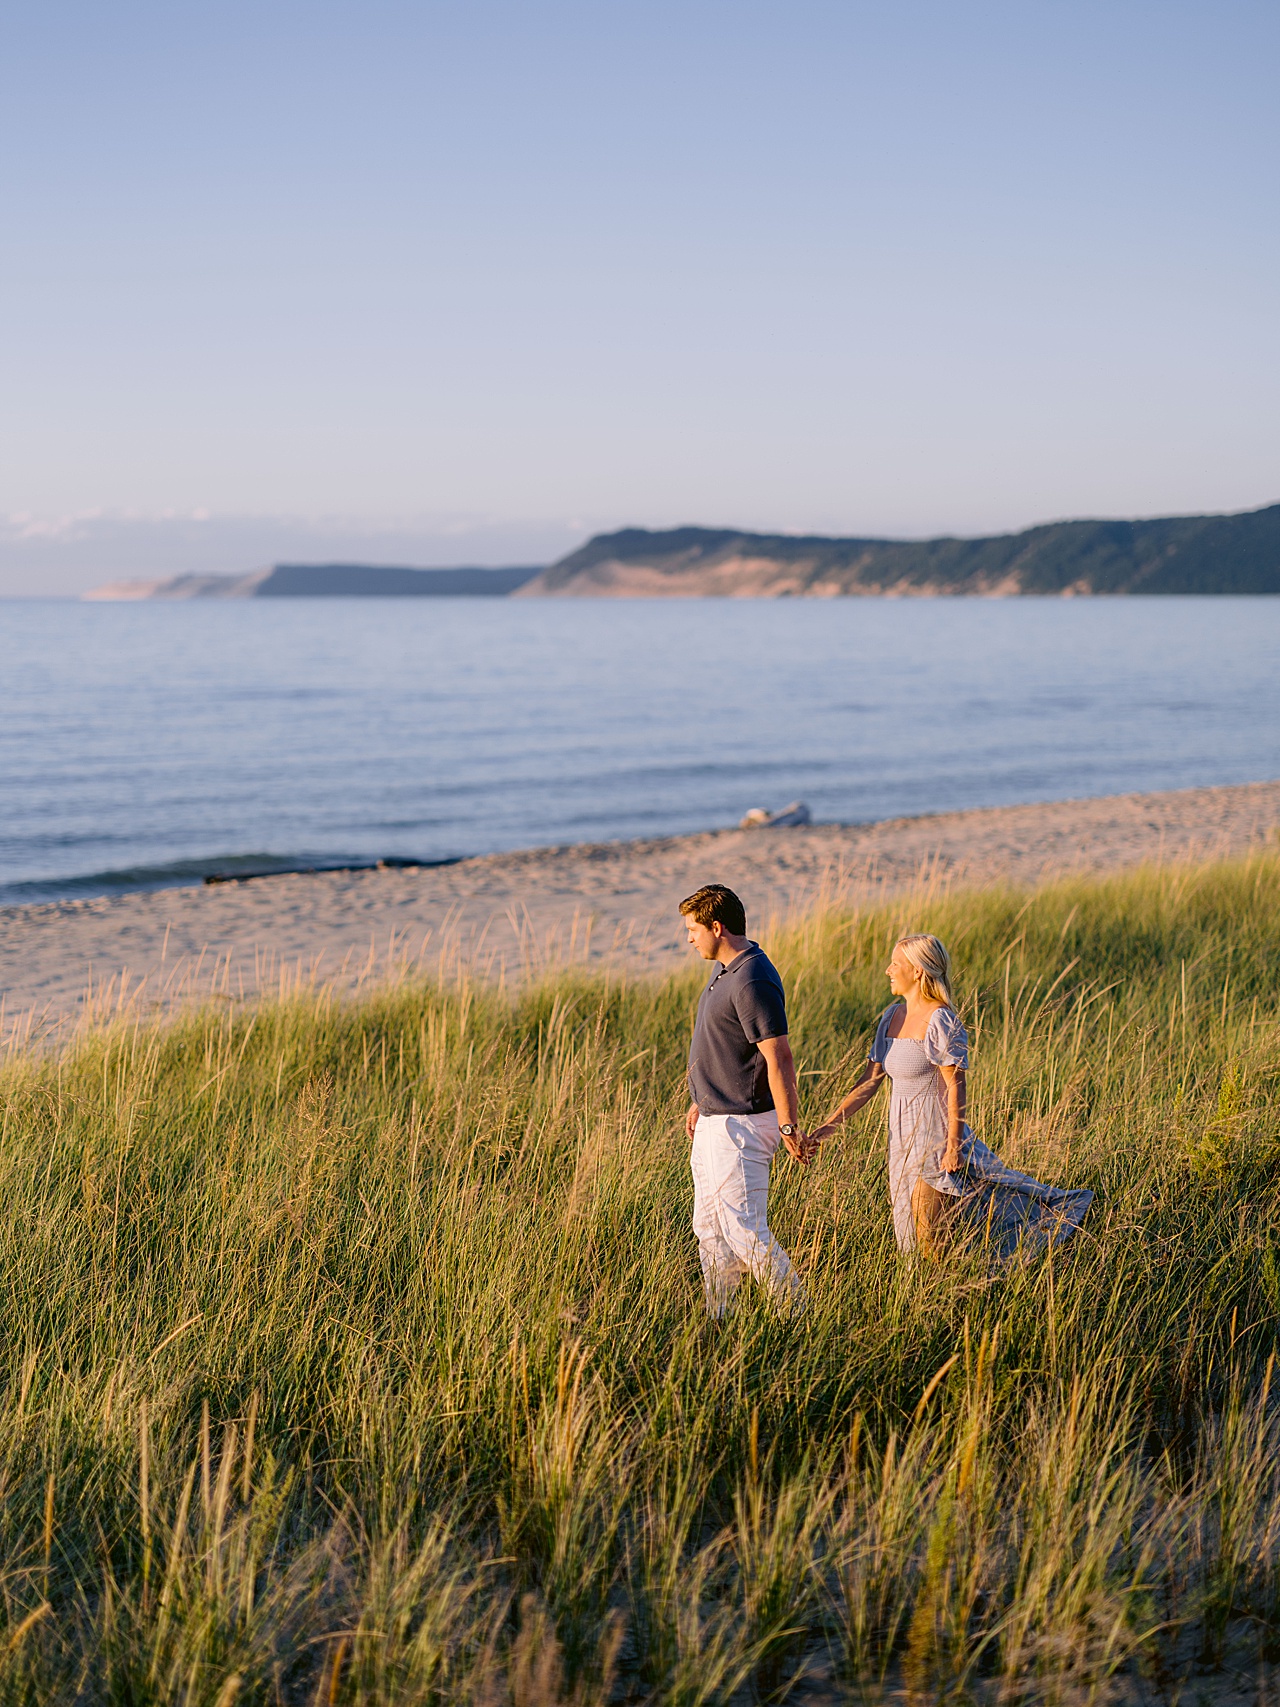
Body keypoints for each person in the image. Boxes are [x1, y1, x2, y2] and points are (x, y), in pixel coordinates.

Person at [808, 933, 1093, 1259]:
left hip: (934, 1142)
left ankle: (1040, 1246)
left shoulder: (940, 1019)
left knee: (932, 1241)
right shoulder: (891, 1017)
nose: (888, 970)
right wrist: (825, 1129)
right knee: (910, 1238)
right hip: (900, 1144)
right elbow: (869, 1080)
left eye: (895, 963)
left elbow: (955, 1086)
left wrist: (953, 1146)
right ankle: (928, 1297)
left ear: (917, 971)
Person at [680, 884, 808, 1316]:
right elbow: (727, 1045)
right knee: (710, 1228)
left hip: (742, 1125)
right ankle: (724, 1315)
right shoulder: (727, 969)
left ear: (717, 927)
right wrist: (702, 1097)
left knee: (744, 1230)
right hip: (715, 1119)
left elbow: (779, 1057)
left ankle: (798, 1314)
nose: (690, 938)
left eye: (694, 929)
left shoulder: (752, 977)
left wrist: (789, 1126)